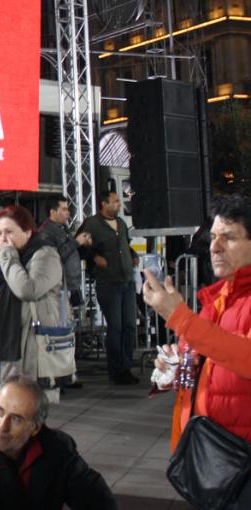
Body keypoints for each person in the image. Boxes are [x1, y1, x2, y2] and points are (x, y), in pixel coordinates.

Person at [144, 194, 251, 506]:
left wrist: (179, 317)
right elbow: (200, 367)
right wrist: (174, 373)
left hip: (240, 465)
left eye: (228, 238)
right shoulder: (215, 300)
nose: (214, 247)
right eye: (213, 237)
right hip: (211, 460)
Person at [0, 376, 117, 509]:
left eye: (16, 419)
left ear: (35, 428)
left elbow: (99, 501)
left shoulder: (58, 449)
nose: (2, 427)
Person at [0, 206, 64, 400]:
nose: (3, 239)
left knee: (23, 408)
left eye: (9, 232)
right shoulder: (5, 256)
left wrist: (6, 256)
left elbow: (27, 290)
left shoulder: (45, 255)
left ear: (28, 232)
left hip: (25, 347)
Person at [78, 191, 140, 385]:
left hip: (126, 280)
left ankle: (126, 367)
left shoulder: (121, 224)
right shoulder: (92, 224)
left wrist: (132, 254)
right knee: (116, 327)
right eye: (115, 202)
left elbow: (125, 245)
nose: (119, 205)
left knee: (130, 325)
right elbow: (80, 247)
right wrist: (93, 257)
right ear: (104, 204)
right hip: (108, 282)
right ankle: (116, 370)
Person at [38, 195, 92, 389]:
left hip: (70, 285)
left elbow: (70, 254)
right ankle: (56, 375)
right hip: (58, 289)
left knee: (68, 331)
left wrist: (83, 246)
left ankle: (67, 372)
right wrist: (76, 243)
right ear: (52, 212)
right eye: (64, 209)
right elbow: (53, 257)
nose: (68, 213)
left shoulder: (63, 229)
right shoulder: (45, 232)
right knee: (58, 332)